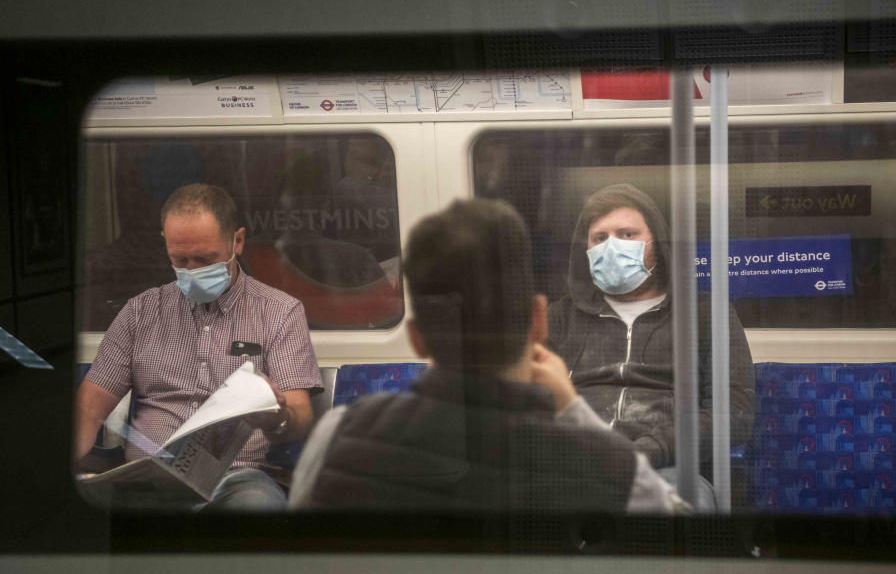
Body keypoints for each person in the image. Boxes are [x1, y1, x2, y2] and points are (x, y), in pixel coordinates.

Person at [289, 198, 686, 513]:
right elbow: (683, 539)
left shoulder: (339, 435)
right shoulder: (612, 470)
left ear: (417, 338)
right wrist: (572, 409)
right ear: (539, 322)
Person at [75, 183, 323, 509]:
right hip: (148, 481)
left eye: (205, 259)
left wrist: (276, 418)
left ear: (237, 241)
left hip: (237, 480)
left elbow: (301, 416)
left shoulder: (279, 312)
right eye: (180, 260)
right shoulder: (139, 313)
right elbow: (89, 408)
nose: (191, 271)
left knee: (257, 506)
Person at [547, 183, 755, 509]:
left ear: (656, 242)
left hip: (668, 466)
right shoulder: (560, 318)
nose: (611, 246)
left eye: (627, 234)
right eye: (599, 238)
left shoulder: (704, 314)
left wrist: (652, 447)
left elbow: (734, 412)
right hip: (571, 464)